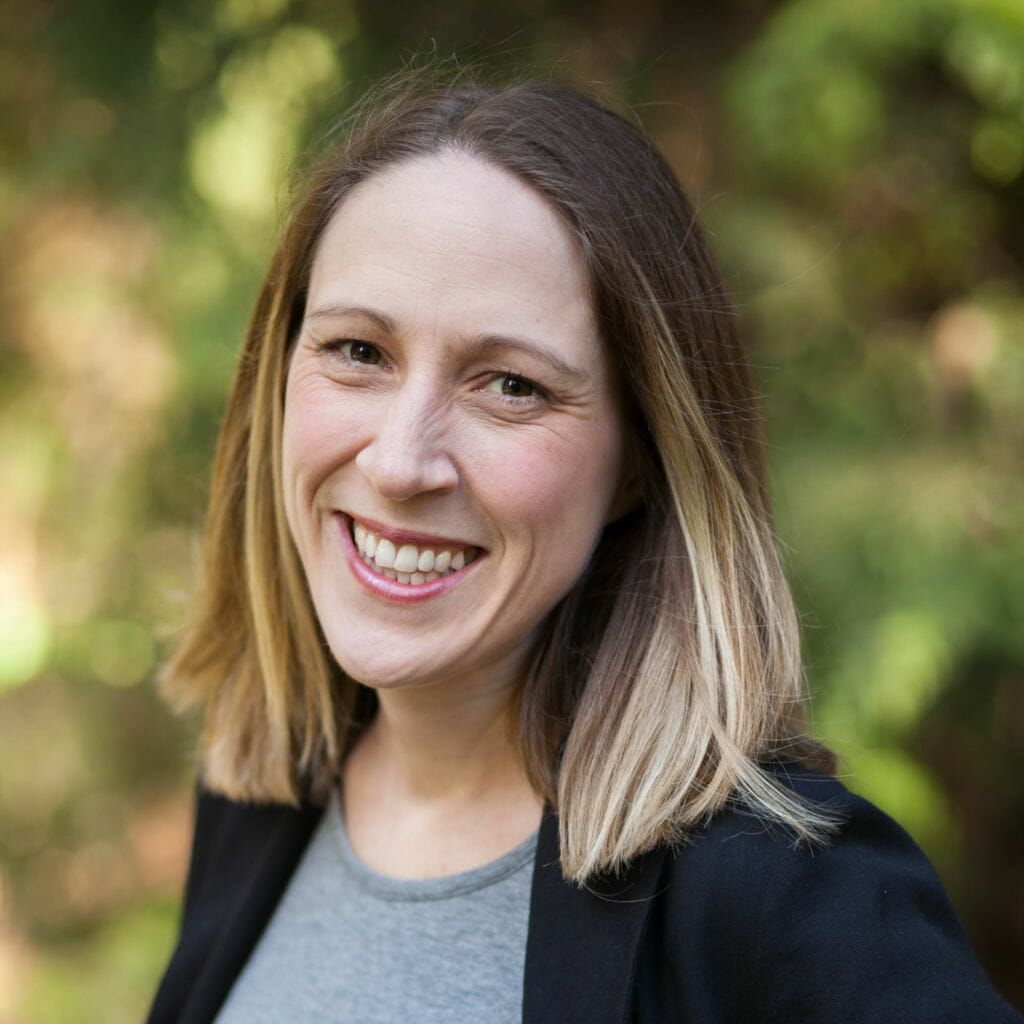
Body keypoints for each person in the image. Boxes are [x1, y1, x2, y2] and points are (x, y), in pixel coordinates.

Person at [146, 71, 1021, 1023]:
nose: (400, 463)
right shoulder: (264, 797)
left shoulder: (787, 898)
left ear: (642, 467)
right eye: (359, 351)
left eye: (511, 385)